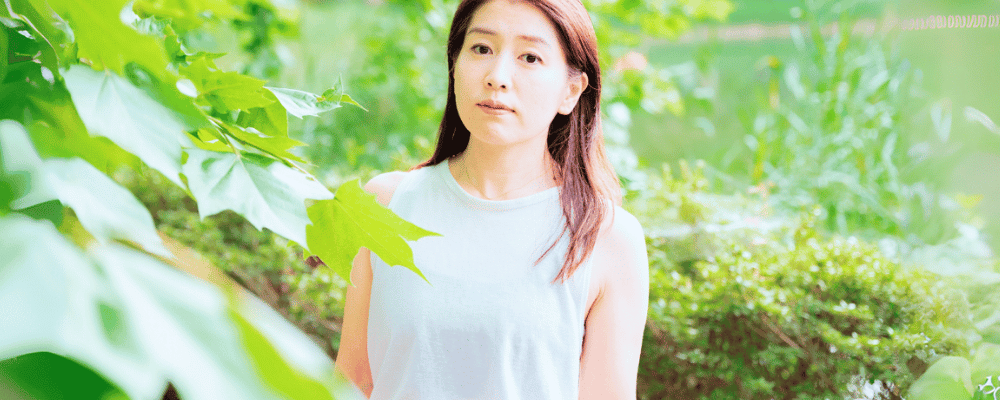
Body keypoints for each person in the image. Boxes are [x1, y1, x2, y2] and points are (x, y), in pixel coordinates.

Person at [334, 0, 649, 398]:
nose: (497, 77)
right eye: (481, 49)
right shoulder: (386, 202)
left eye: (530, 57)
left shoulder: (606, 236)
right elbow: (351, 381)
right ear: (454, 65)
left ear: (570, 91)